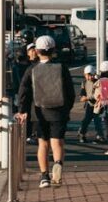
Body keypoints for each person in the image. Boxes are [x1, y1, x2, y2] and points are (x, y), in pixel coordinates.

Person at [16, 35, 75, 188]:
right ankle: (58, 164)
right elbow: (70, 92)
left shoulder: (32, 69)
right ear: (54, 50)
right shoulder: (61, 68)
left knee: (43, 144)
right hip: (59, 111)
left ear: (37, 51)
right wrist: (66, 108)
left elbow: (24, 91)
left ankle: (44, 176)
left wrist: (22, 110)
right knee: (58, 143)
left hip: (39, 111)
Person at [77, 65, 105, 144]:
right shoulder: (84, 82)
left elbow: (97, 94)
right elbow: (82, 92)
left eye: (91, 75)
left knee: (97, 121)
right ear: (84, 75)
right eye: (87, 75)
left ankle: (100, 136)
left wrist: (87, 98)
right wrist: (82, 96)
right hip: (89, 105)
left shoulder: (98, 82)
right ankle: (81, 134)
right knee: (86, 120)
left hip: (97, 105)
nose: (89, 77)